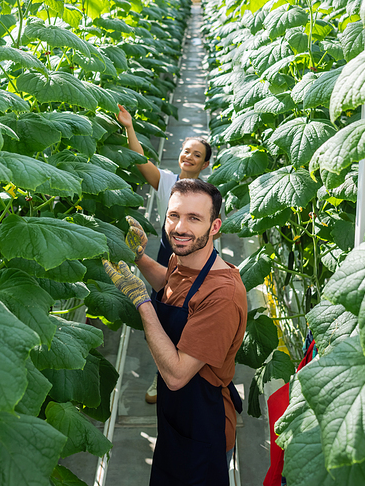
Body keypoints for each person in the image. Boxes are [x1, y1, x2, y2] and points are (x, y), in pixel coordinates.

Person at [104, 179, 248, 486]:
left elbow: (177, 375)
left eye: (194, 218)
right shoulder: (185, 259)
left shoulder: (221, 294)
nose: (180, 227)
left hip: (203, 426)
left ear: (215, 226)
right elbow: (170, 286)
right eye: (174, 216)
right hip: (177, 417)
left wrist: (143, 303)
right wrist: (139, 257)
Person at [117, 103, 212, 403]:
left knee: (191, 316)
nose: (189, 156)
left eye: (196, 154)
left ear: (205, 164)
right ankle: (164, 375)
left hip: (196, 259)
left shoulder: (208, 195)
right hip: (166, 254)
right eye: (186, 151)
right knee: (164, 317)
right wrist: (129, 127)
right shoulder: (167, 182)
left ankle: (189, 368)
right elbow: (141, 161)